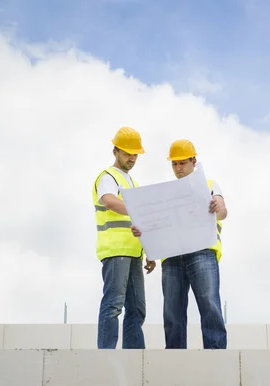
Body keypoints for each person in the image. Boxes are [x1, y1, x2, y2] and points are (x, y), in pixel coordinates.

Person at [132, 139, 228, 349]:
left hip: (202, 252)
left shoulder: (209, 185)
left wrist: (216, 205)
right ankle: (174, 358)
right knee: (172, 312)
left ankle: (217, 355)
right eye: (174, 164)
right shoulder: (166, 194)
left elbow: (223, 212)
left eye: (182, 163)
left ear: (194, 161)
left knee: (209, 304)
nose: (178, 168)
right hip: (172, 256)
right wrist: (145, 237)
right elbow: (157, 225)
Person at [92, 126, 156, 349]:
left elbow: (139, 222)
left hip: (134, 253)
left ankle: (134, 355)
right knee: (114, 305)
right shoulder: (108, 177)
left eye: (135, 153)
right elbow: (109, 201)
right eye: (127, 152)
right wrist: (138, 209)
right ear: (115, 151)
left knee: (137, 308)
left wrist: (150, 251)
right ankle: (106, 353)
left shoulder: (132, 183)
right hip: (116, 251)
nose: (132, 157)